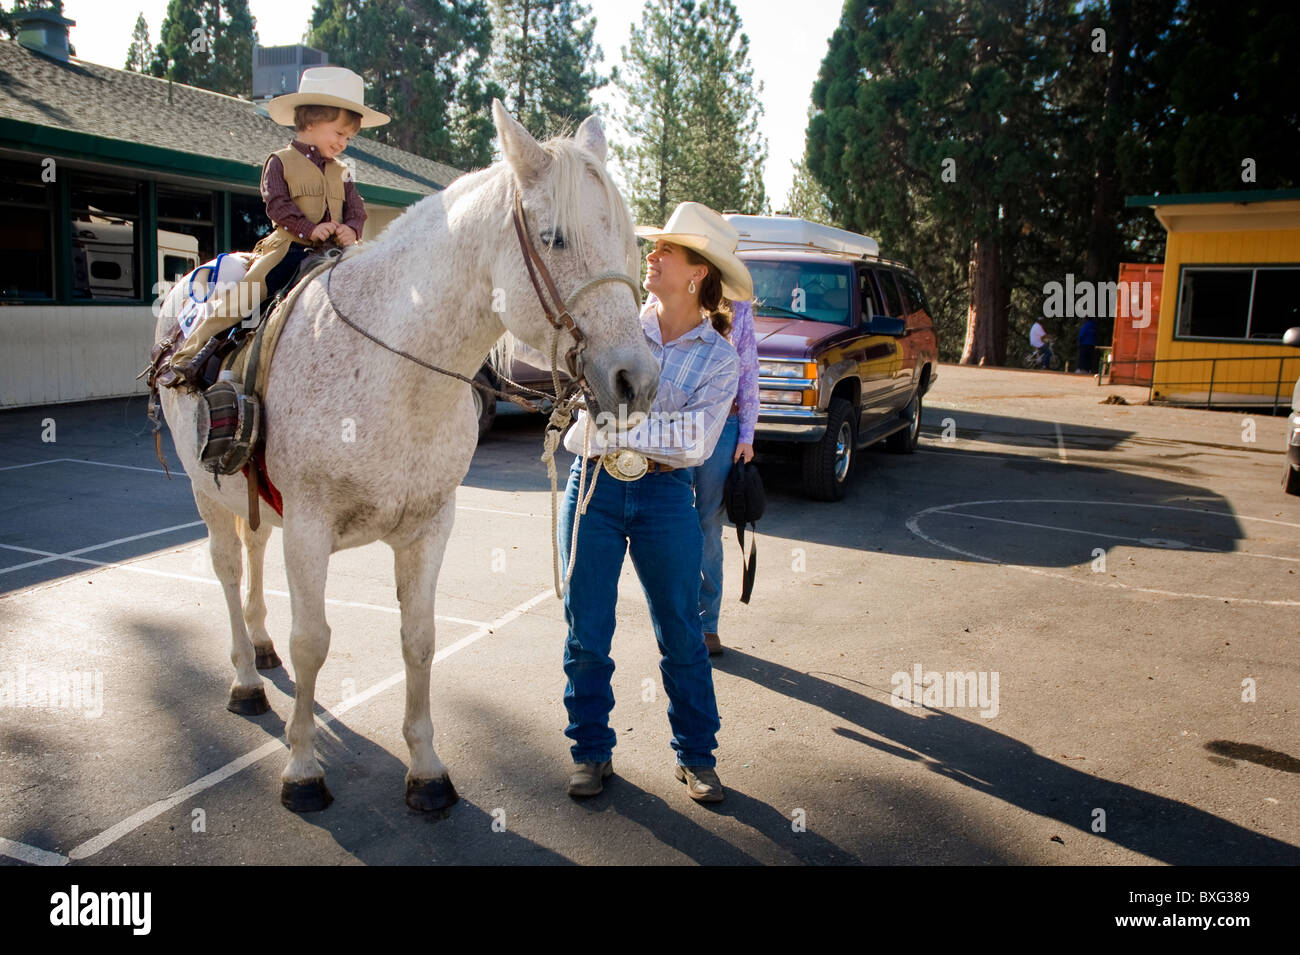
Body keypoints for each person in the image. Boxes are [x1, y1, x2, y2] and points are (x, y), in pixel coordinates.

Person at [559, 201, 750, 804]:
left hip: (667, 498)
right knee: (586, 631)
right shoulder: (612, 325)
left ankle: (697, 757)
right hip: (593, 487)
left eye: (666, 250)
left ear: (697, 272)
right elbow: (572, 417)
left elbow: (693, 445)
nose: (652, 256)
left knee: (682, 633)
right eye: (654, 247)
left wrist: (613, 425)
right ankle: (590, 753)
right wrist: (620, 429)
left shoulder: (720, 358)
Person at [166, 67, 389, 386]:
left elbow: (356, 208)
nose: (343, 144)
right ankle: (191, 351)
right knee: (247, 294)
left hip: (337, 253)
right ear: (311, 121)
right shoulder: (281, 161)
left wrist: (352, 229)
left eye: (348, 138)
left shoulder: (344, 171)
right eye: (339, 134)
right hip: (290, 249)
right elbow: (277, 205)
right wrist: (308, 229)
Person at [690, 295, 758, 655]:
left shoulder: (740, 309)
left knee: (708, 524)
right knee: (670, 519)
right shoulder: (662, 296)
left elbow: (748, 376)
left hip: (725, 425)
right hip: (675, 422)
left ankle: (706, 624)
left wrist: (746, 436)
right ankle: (676, 620)